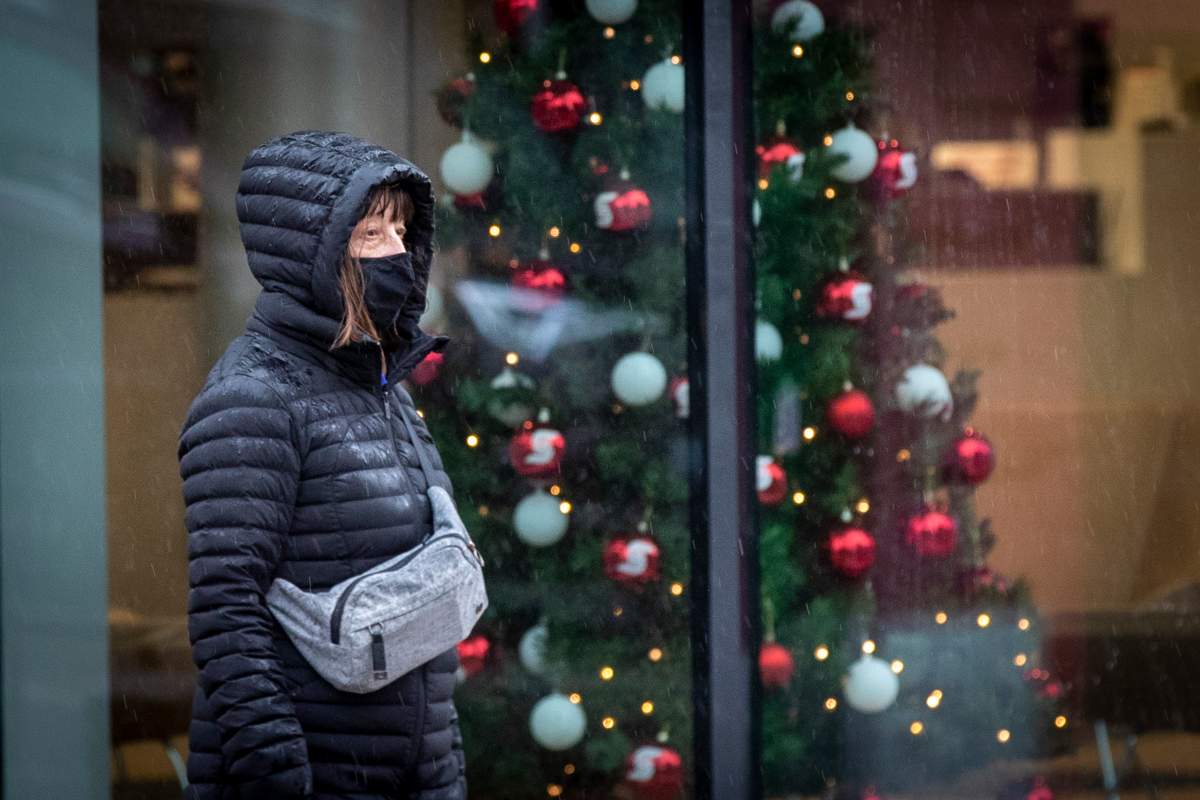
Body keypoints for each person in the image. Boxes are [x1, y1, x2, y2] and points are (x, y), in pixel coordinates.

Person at [177, 130, 465, 799]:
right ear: (312, 252)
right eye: (371, 234)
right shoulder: (253, 398)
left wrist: (443, 769)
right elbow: (226, 613)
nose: (397, 253)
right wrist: (282, 777)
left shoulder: (382, 390)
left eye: (401, 231)